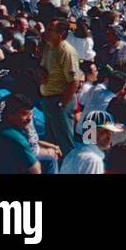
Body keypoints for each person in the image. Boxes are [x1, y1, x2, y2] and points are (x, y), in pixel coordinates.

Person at [38, 18, 81, 157]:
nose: (46, 31)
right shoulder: (49, 47)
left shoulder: (66, 51)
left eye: (50, 29)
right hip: (48, 98)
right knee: (51, 141)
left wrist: (62, 104)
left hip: (60, 100)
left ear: (61, 34)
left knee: (65, 141)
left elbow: (74, 82)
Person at [0, 94, 40, 175]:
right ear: (10, 115)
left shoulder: (0, 128)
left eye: (30, 114)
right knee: (50, 160)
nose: (29, 119)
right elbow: (36, 170)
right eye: (24, 114)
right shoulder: (14, 136)